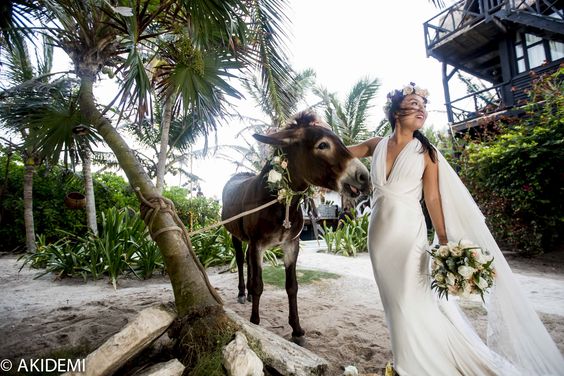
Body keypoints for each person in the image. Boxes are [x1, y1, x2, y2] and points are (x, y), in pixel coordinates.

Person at [348, 83, 564, 375]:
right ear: (397, 111)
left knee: (411, 301)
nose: (422, 109)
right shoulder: (376, 144)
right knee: (393, 304)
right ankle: (407, 360)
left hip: (408, 234)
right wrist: (313, 137)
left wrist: (445, 238)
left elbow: (433, 197)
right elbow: (339, 154)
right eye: (414, 103)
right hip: (379, 235)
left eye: (424, 105)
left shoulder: (426, 151)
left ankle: (413, 366)